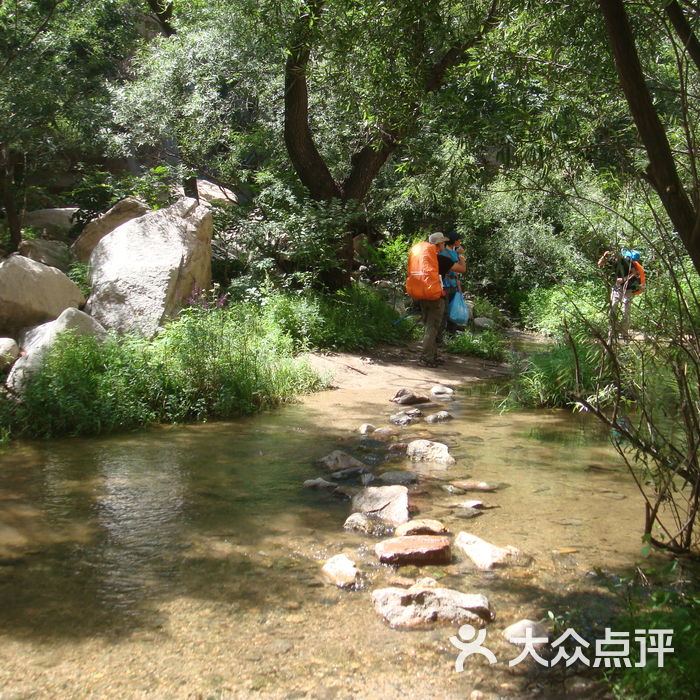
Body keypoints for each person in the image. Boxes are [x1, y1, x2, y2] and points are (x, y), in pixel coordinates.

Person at [406, 232, 466, 367]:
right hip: (436, 298)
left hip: (422, 295)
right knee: (432, 328)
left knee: (429, 326)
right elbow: (462, 269)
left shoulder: (424, 259)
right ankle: (426, 358)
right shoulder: (440, 260)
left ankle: (432, 355)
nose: (444, 245)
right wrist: (461, 257)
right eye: (443, 243)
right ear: (438, 244)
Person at [597, 248, 642, 339]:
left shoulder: (628, 261)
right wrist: (604, 256)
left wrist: (624, 279)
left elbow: (635, 273)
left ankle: (624, 333)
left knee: (625, 310)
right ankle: (612, 331)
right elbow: (600, 264)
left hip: (628, 288)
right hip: (617, 288)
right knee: (613, 307)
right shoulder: (613, 260)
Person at [437, 230, 466, 343]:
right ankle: (444, 337)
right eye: (459, 239)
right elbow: (462, 269)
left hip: (451, 284)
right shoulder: (447, 253)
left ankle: (446, 337)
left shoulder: (450, 252)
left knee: (450, 310)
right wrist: (461, 257)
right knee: (446, 312)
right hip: (447, 285)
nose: (460, 241)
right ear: (455, 241)